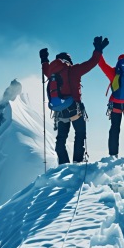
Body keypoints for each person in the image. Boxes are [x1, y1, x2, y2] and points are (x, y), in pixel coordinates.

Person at [40, 36, 109, 164]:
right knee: (80, 135)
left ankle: (63, 165)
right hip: (75, 110)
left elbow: (45, 68)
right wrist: (98, 49)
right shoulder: (73, 70)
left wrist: (44, 58)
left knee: (61, 139)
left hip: (59, 112)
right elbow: (92, 62)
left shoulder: (51, 72)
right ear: (68, 61)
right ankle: (77, 163)